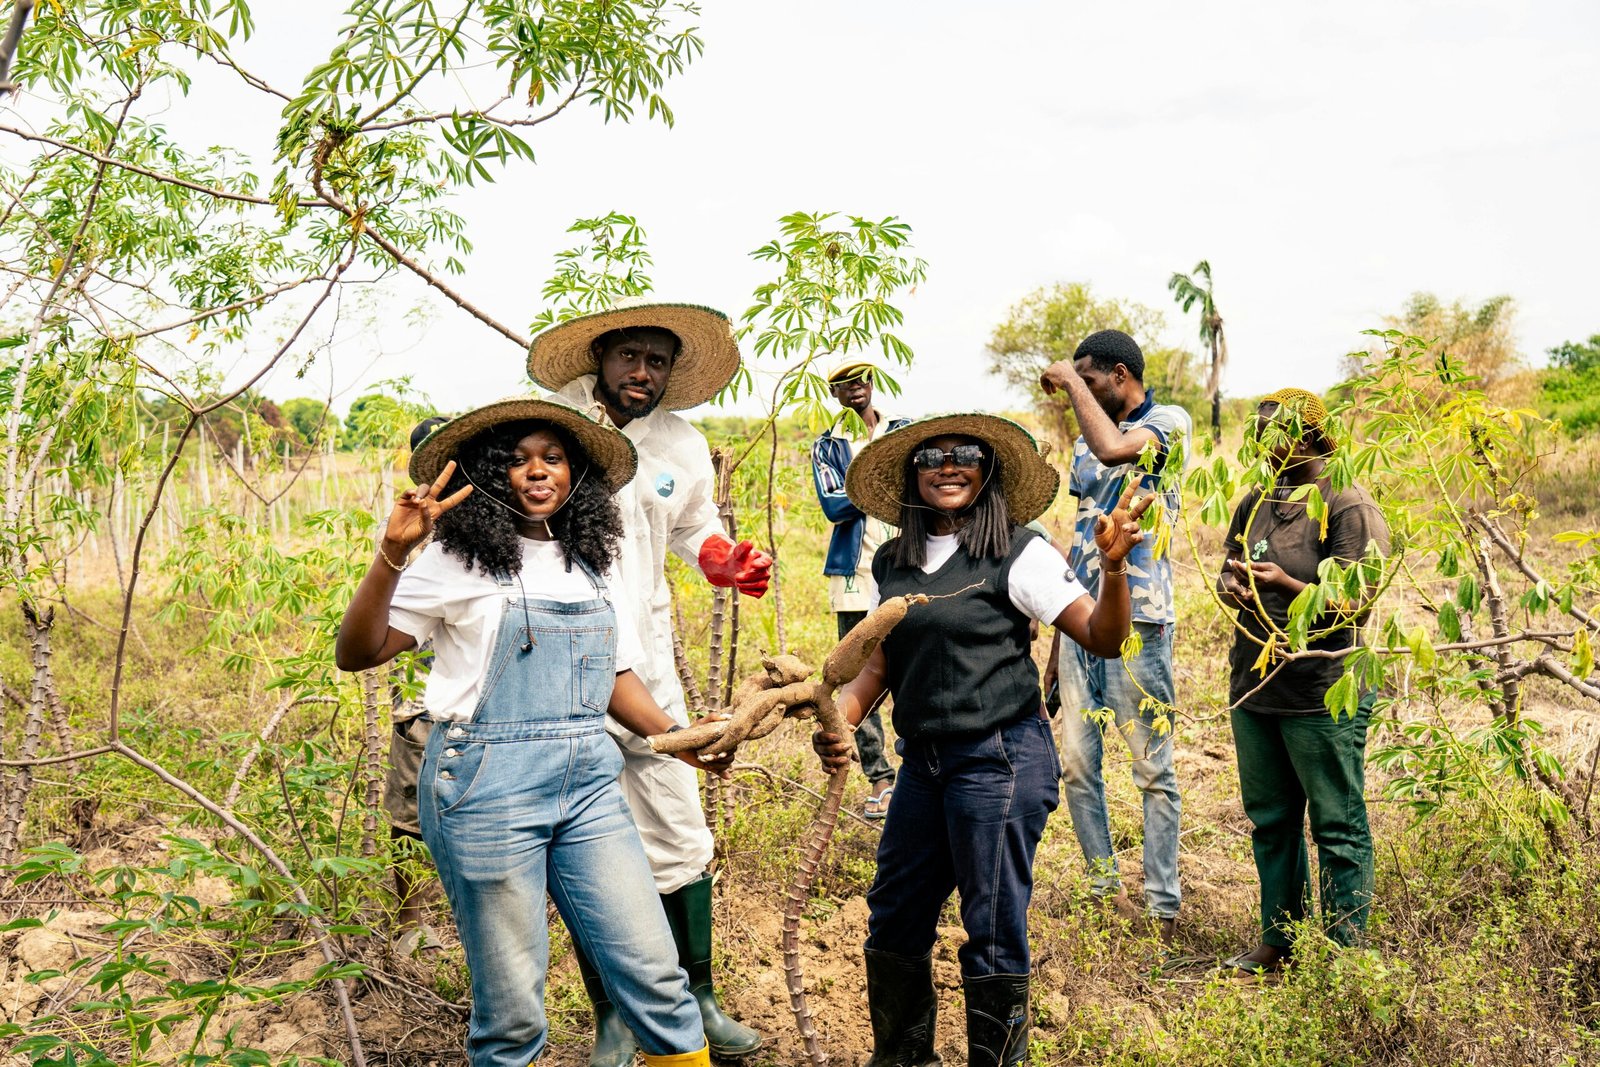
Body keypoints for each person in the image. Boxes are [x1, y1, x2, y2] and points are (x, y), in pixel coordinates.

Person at [336, 397, 727, 1067]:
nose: (536, 471)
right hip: (485, 787)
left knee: (659, 979)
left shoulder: (593, 561)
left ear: (575, 472)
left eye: (552, 457)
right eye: (516, 461)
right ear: (491, 475)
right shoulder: (454, 559)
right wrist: (391, 555)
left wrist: (675, 736)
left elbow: (615, 675)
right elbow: (359, 651)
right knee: (514, 1012)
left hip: (588, 783)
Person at [813, 413, 1150, 1067]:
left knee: (991, 923)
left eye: (965, 452)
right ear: (911, 475)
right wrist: (843, 718)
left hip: (1000, 755)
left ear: (987, 468)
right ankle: (905, 1057)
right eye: (931, 456)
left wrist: (1114, 568)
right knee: (894, 911)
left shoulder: (1019, 552)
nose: (948, 464)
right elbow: (884, 660)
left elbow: (1104, 638)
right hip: (924, 763)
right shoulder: (894, 559)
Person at [529, 300, 771, 1064]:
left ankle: (695, 997)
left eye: (658, 361)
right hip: (557, 671)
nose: (643, 372)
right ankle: (614, 1016)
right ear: (599, 356)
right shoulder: (553, 426)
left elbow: (695, 530)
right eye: (630, 355)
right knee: (577, 848)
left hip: (649, 667)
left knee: (679, 831)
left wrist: (724, 561)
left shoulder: (682, 444)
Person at [1215, 388, 1387, 978]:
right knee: (1270, 819)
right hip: (1256, 685)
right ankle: (1280, 939)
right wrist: (1235, 585)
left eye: (1276, 430)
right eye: (1258, 430)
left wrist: (1287, 584)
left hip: (1321, 688)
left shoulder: (1346, 502)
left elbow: (1358, 602)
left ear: (1310, 435)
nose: (1263, 442)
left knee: (1336, 822)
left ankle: (1344, 955)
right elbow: (1226, 569)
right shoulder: (1254, 501)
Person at [1038, 329, 1190, 942]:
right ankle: (1103, 887)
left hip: (1140, 623)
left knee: (1151, 768)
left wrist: (1068, 380)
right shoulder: (1085, 440)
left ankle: (1161, 904)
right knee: (1077, 764)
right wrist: (1055, 643)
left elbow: (1112, 451)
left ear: (1121, 375)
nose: (1084, 394)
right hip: (1081, 623)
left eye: (1092, 380)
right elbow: (1077, 541)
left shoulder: (1166, 423)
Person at [811, 358, 910, 819]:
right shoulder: (828, 444)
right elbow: (833, 506)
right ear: (835, 395)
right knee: (856, 674)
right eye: (844, 386)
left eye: (860, 381)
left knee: (914, 665)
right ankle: (880, 777)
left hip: (908, 566)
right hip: (853, 576)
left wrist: (866, 483)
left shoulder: (902, 429)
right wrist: (877, 481)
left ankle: (915, 771)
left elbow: (917, 485)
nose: (854, 391)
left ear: (872, 384)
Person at [382, 415, 448, 958]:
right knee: (409, 818)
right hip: (421, 700)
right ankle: (409, 922)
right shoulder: (416, 531)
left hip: (480, 704)